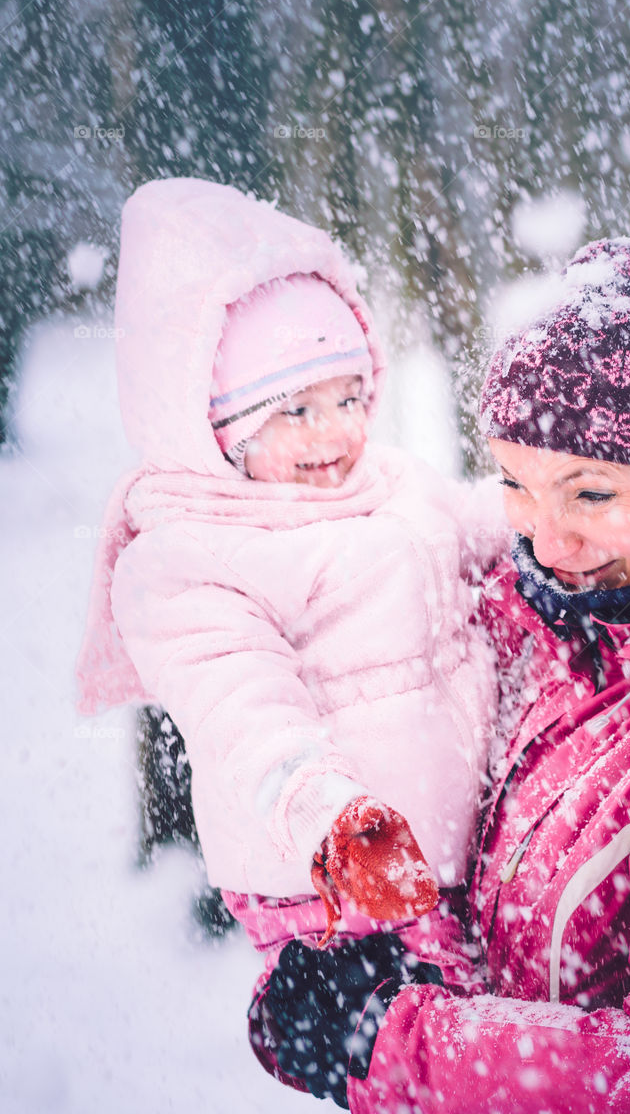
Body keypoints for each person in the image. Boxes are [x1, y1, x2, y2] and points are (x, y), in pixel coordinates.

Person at [256, 234, 630, 1113]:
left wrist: (390, 1040)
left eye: (591, 492)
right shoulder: (574, 594)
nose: (544, 539)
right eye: (514, 483)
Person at [75, 177, 504, 1075]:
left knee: (486, 1060)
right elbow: (246, 716)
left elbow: (478, 534)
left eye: (349, 397)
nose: (334, 433)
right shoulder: (187, 558)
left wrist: (558, 523)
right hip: (333, 887)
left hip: (454, 861)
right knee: (428, 1068)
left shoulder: (388, 482)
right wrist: (332, 820)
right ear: (220, 430)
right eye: (295, 411)